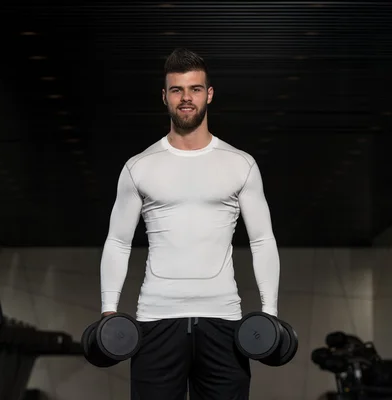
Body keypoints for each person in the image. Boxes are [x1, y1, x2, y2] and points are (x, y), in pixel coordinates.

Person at [99, 48, 281, 400]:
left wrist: (269, 312)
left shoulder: (240, 164)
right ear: (164, 96)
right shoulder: (140, 166)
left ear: (209, 94)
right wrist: (109, 310)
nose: (186, 98)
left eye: (195, 89)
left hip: (224, 321)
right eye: (177, 90)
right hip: (155, 319)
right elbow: (118, 242)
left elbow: (262, 240)